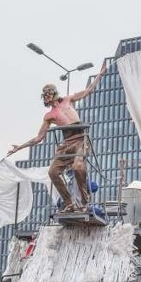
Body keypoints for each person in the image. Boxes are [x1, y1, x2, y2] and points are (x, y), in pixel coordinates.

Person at [8, 63, 108, 212]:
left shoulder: (68, 100)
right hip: (67, 142)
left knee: (77, 166)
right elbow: (38, 138)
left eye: (48, 94)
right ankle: (69, 202)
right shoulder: (49, 116)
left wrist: (100, 74)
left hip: (80, 138)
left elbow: (88, 91)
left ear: (53, 93)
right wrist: (20, 147)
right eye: (45, 95)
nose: (46, 97)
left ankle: (84, 202)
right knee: (53, 172)